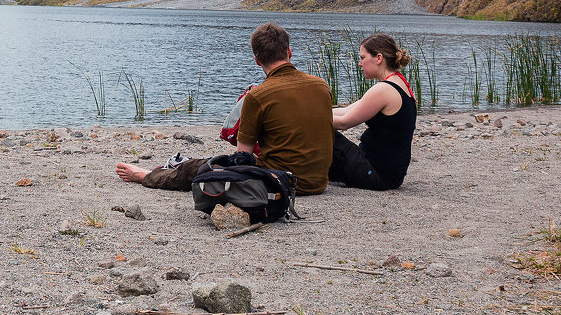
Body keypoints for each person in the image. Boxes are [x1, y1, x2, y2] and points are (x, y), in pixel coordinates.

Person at [116, 22, 334, 195]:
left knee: (197, 168)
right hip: (318, 183)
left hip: (281, 182)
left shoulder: (257, 96)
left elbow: (243, 156)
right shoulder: (321, 85)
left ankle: (146, 176)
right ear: (289, 52)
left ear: (257, 60)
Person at [329, 34, 416, 190]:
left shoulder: (383, 90)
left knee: (323, 133)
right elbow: (347, 110)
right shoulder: (397, 82)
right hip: (389, 174)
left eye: (363, 57)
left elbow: (344, 123)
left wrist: (308, 120)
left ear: (378, 58)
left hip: (376, 174)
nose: (359, 63)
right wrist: (315, 112)